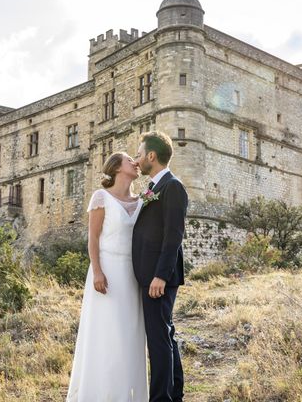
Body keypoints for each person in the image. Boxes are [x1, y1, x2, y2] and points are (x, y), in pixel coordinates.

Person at [66, 152, 148, 401]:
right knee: (106, 332)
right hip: (107, 270)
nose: (135, 162)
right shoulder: (101, 197)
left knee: (130, 332)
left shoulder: (143, 199)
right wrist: (98, 271)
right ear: (116, 168)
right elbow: (93, 238)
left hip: (132, 274)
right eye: (128, 159)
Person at [132, 131, 188, 402]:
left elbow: (174, 235)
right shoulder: (154, 188)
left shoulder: (172, 186)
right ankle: (174, 394)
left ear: (151, 156)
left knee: (158, 340)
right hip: (152, 275)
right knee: (166, 334)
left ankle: (161, 399)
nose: (137, 159)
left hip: (158, 277)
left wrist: (160, 276)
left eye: (139, 154)